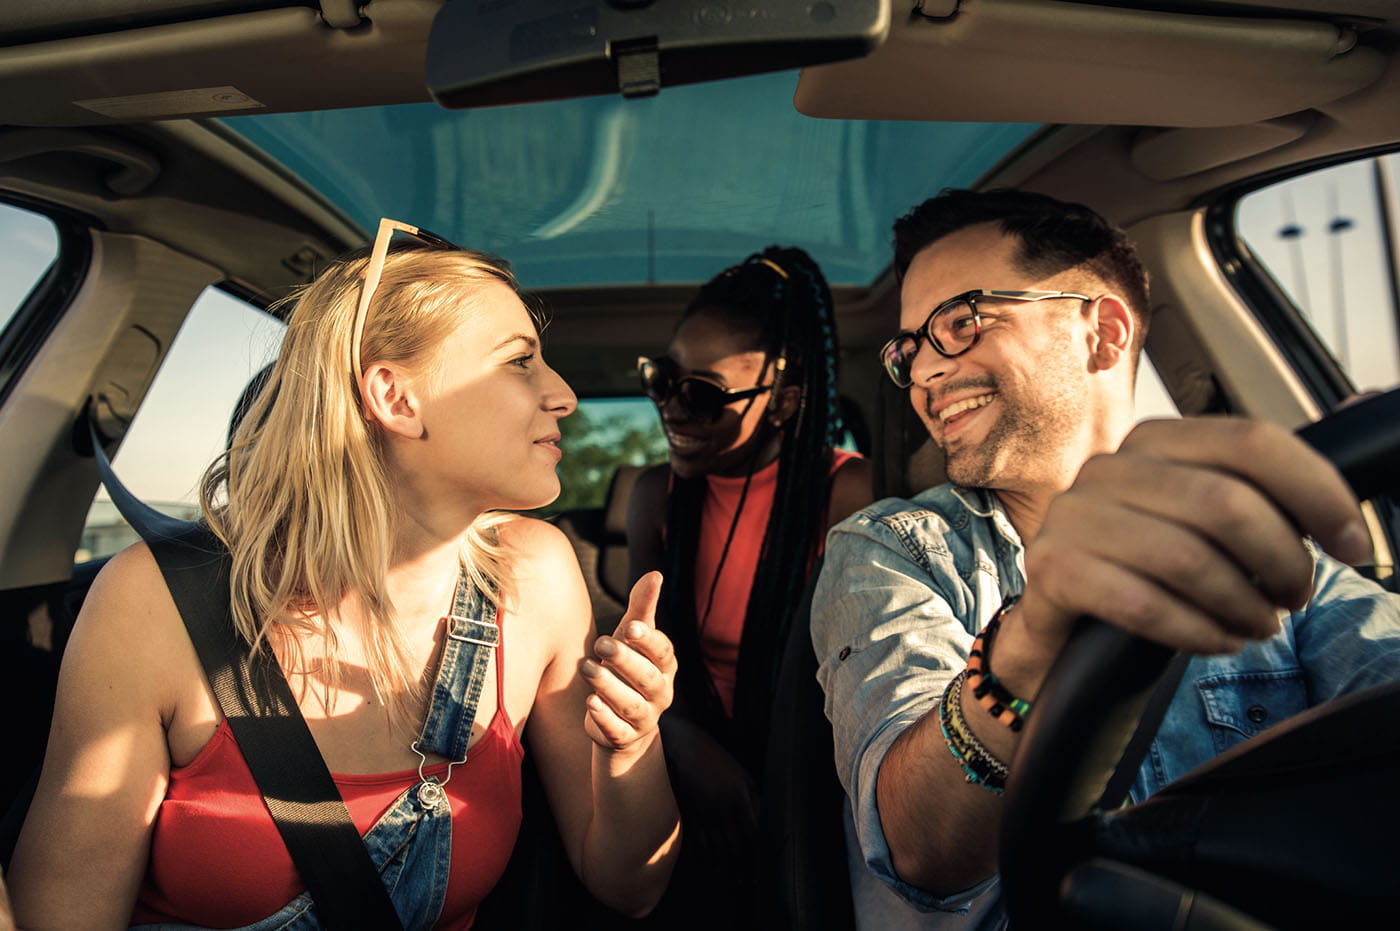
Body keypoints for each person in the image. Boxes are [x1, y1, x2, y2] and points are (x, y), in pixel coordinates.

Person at [9, 220, 681, 929]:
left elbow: (630, 887)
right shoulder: (154, 602)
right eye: (520, 361)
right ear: (395, 398)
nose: (564, 394)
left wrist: (633, 745)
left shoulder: (537, 578)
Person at [809, 188, 1400, 928]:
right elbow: (922, 848)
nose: (924, 374)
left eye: (959, 323)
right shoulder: (890, 550)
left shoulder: (1271, 557)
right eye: (910, 348)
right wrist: (1028, 642)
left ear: (1105, 332)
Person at [626, 246, 872, 920]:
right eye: (663, 378)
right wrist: (686, 745)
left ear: (785, 401)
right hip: (683, 767)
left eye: (703, 394)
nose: (673, 409)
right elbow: (643, 662)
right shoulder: (657, 495)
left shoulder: (844, 492)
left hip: (809, 777)